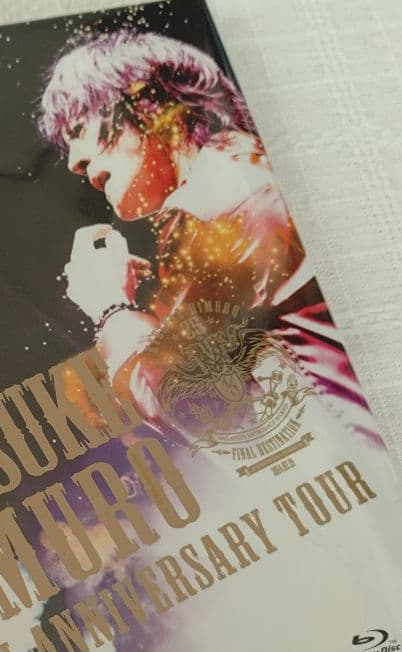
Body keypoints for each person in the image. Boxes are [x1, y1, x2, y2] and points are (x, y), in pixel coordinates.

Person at [39, 30, 379, 448]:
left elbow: (191, 406)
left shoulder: (213, 205)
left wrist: (109, 306)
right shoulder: (238, 173)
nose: (75, 162)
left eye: (79, 127)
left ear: (145, 101)